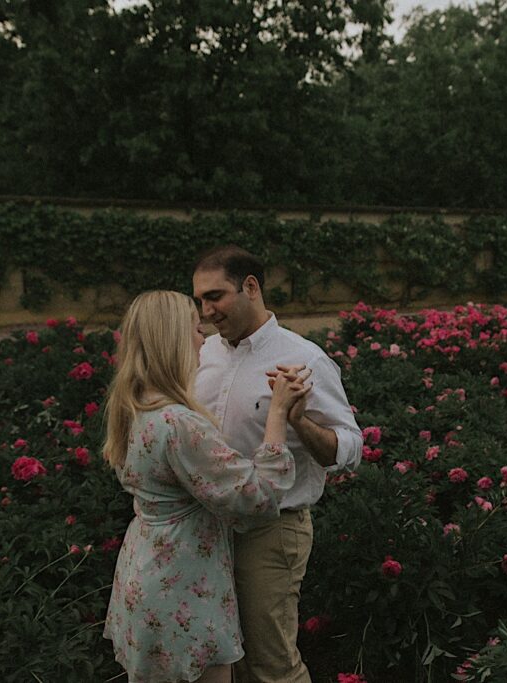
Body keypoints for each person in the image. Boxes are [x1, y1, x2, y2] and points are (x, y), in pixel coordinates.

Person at [102, 290, 311, 683]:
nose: (203, 338)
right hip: (184, 584)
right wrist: (278, 412)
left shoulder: (133, 406)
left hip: (144, 570)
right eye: (194, 330)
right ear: (172, 340)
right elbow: (256, 496)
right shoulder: (180, 423)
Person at [192, 246, 363, 683]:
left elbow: (348, 447)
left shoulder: (304, 358)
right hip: (207, 529)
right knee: (222, 659)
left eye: (215, 296)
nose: (207, 310)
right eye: (199, 300)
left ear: (251, 287)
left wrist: (298, 420)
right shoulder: (203, 354)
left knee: (270, 663)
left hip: (272, 530)